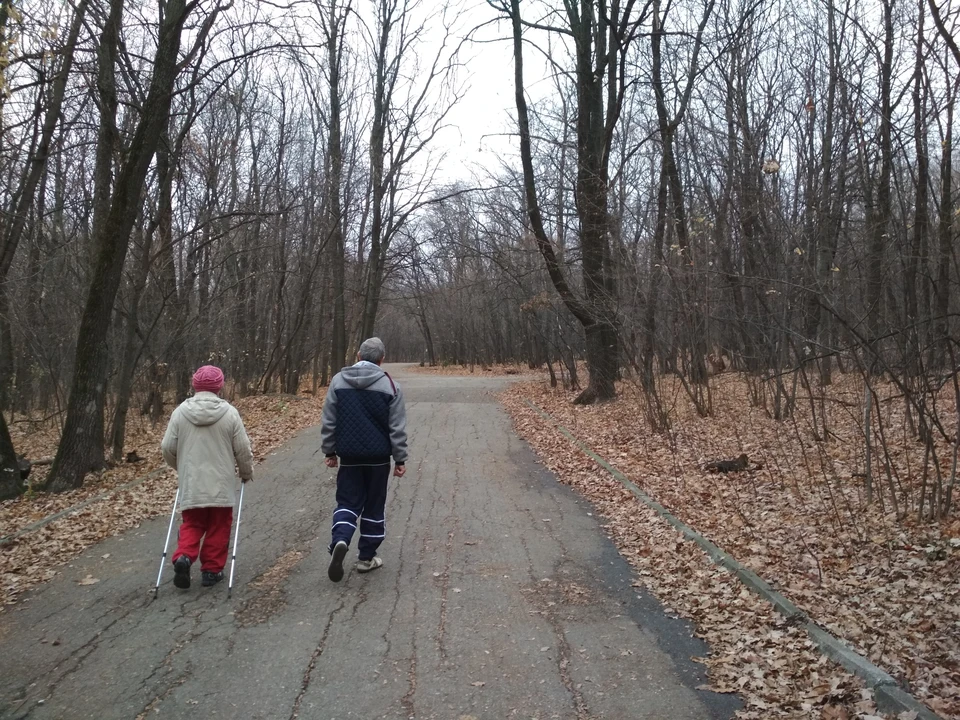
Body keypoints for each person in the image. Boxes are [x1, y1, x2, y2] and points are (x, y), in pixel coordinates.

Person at [321, 337, 408, 582]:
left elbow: (329, 421)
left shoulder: (338, 382)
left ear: (358, 356)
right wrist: (400, 459)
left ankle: (340, 539)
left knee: (347, 501)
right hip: (378, 459)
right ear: (382, 360)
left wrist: (329, 451)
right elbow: (397, 428)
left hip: (349, 456)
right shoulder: (391, 386)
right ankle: (366, 557)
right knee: (373, 504)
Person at [161, 365, 253, 589]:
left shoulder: (180, 412)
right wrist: (245, 471)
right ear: (219, 386)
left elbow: (167, 447)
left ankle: (183, 556)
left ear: (195, 385)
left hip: (192, 481)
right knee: (219, 525)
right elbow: (242, 448)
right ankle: (211, 571)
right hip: (221, 483)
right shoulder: (229, 412)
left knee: (193, 523)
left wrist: (180, 468)